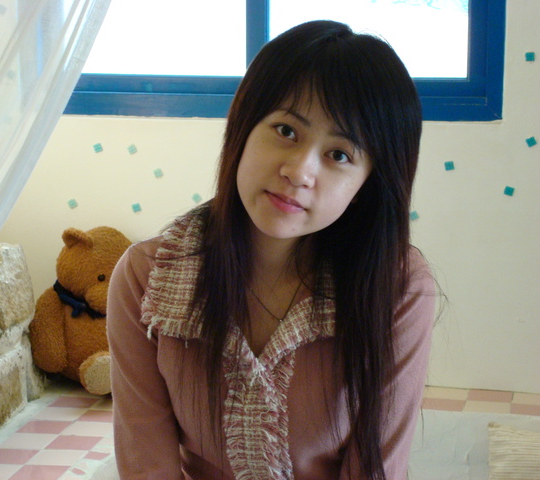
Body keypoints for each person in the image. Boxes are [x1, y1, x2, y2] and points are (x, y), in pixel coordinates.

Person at [107, 20, 436, 480]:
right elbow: (148, 468)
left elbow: (374, 469)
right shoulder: (147, 279)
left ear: (365, 185)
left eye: (339, 155)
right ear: (243, 127)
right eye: (286, 130)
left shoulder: (398, 287)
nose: (299, 171)